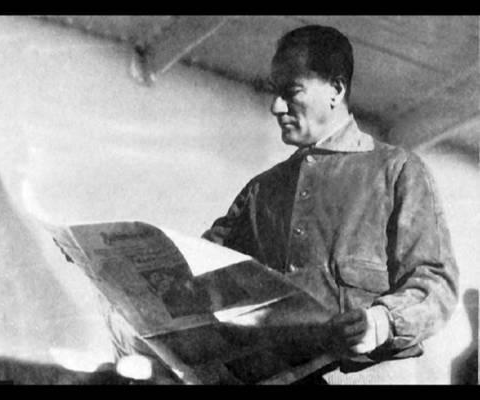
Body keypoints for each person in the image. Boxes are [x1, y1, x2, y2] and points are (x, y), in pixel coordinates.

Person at [113, 24, 458, 384]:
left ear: (336, 89)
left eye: (291, 91)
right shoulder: (260, 191)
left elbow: (435, 282)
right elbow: (197, 276)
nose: (275, 107)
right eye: (274, 92)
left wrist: (381, 322)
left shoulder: (397, 170)